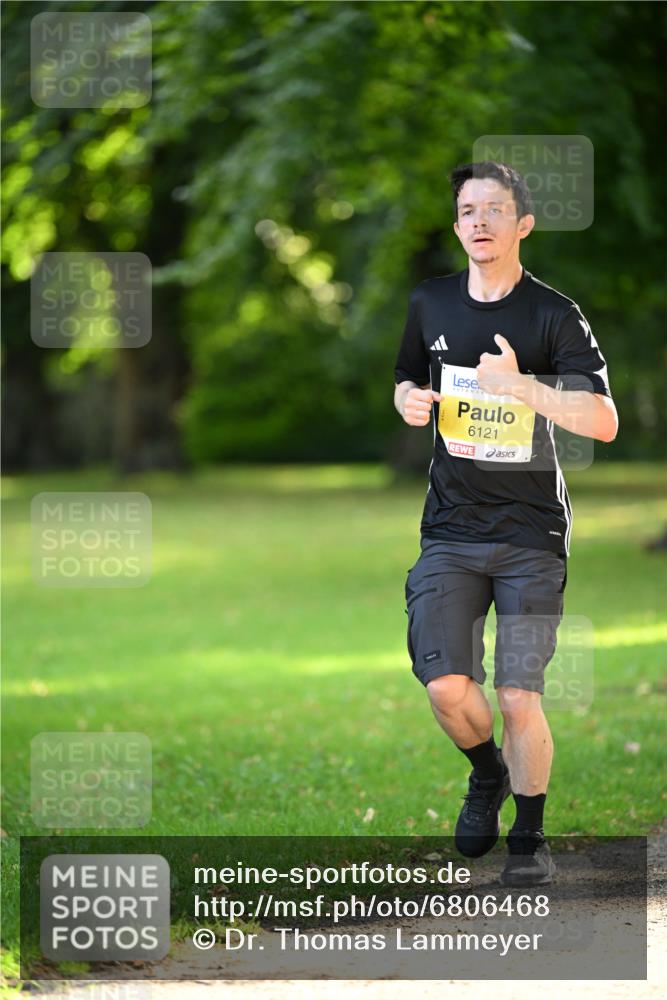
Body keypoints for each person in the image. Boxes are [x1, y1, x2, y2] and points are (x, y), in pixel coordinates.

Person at [393, 161, 618, 886]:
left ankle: (528, 837)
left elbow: (603, 422)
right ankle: (484, 775)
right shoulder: (428, 302)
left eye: (494, 209)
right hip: (449, 532)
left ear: (522, 224)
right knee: (445, 690)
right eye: (466, 210)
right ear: (456, 225)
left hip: (529, 537)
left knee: (518, 694)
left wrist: (521, 385)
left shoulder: (554, 314)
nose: (479, 221)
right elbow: (406, 381)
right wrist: (407, 401)